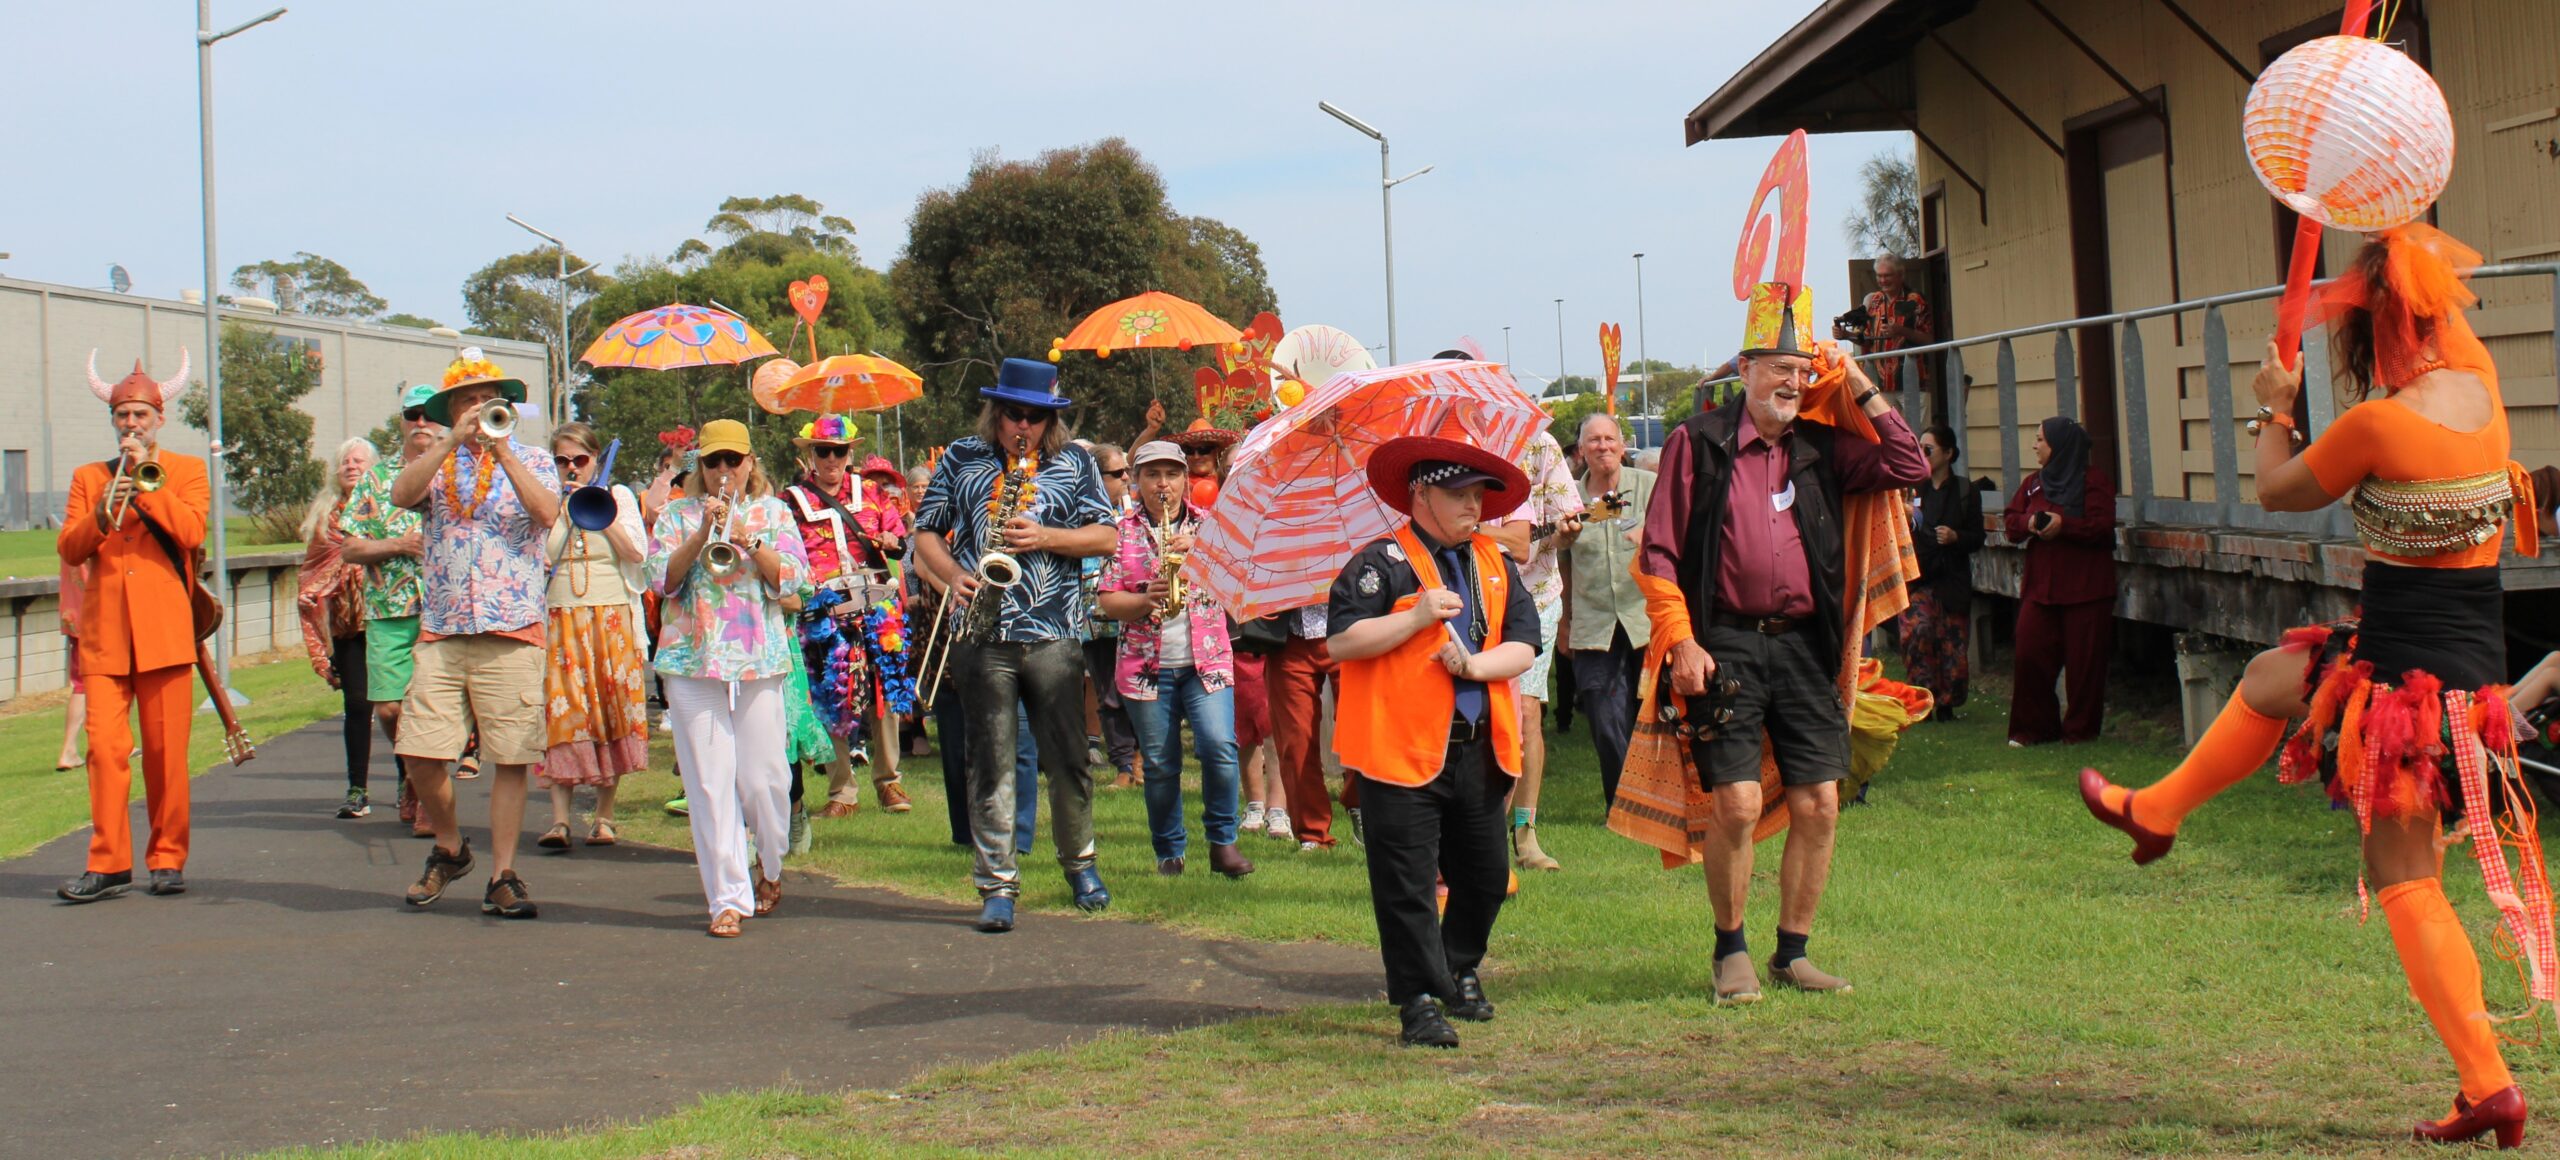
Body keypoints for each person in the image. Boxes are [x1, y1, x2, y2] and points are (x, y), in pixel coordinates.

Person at [2081, 225, 2547, 1148]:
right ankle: (2160, 810)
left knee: (2405, 880)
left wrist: (2275, 406)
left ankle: (2490, 1084)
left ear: (2378, 321)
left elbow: (2275, 491)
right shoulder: (2486, 397)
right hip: (2460, 676)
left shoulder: (2379, 424)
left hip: (2407, 693)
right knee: (2272, 675)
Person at [1636, 281, 1928, 1002]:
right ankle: (1730, 950)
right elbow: (1659, 554)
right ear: (1744, 370)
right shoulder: (1696, 444)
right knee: (1733, 804)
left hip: (1805, 646)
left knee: (1820, 803)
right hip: (1725, 645)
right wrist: (1680, 640)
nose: (1792, 383)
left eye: (1802, 372)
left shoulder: (1825, 449)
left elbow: (1908, 464)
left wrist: (1857, 382)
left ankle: (1791, 953)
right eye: (1778, 368)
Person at [1328, 435, 1541, 1048]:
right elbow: (1340, 643)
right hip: (1397, 750)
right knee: (1407, 881)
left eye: (1479, 494)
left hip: (1480, 745)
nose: (1473, 505)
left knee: (1486, 874)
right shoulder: (1379, 562)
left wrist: (1475, 667)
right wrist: (1415, 617)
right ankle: (1419, 999)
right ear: (1420, 494)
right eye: (1458, 494)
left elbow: (1526, 641)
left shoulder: (1492, 560)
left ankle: (1458, 966)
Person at [910, 358, 1120, 933]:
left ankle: (1081, 866)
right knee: (991, 761)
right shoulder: (961, 457)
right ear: (995, 413)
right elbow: (925, 529)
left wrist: (1047, 536)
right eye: (1011, 414)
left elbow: (1107, 534)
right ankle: (997, 885)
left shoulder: (1075, 461)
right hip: (981, 632)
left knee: (1068, 759)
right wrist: (951, 575)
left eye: (1033, 416)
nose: (1020, 426)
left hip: (1052, 631)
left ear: (1050, 418)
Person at [387, 349, 561, 918]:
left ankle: (503, 874)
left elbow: (547, 513)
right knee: (418, 750)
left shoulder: (532, 457)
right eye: (467, 401)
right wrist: (446, 443)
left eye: (489, 401)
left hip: (512, 626)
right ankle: (448, 846)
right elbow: (400, 496)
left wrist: (503, 451)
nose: (478, 409)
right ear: (451, 410)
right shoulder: (437, 465)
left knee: (510, 756)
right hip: (442, 627)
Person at [54, 350, 209, 903]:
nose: (131, 424)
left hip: (165, 634)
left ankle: (167, 858)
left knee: (166, 755)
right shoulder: (87, 476)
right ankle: (109, 863)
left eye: (141, 415)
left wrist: (149, 484)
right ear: (113, 420)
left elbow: (190, 533)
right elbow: (70, 548)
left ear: (159, 419)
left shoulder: (187, 471)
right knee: (105, 753)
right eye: (123, 415)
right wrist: (102, 508)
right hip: (105, 637)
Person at [647, 419, 808, 937]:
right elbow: (660, 581)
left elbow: (794, 577)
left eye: (731, 462)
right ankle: (727, 898)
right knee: (709, 784)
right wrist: (702, 534)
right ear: (700, 466)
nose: (722, 471)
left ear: (749, 463)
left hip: (758, 657)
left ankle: (772, 863)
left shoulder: (775, 511)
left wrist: (747, 538)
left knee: (764, 781)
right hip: (692, 661)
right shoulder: (675, 514)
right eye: (712, 462)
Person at [1099, 441, 1253, 878]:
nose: (1162, 484)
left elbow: (1238, 584)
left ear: (1186, 480)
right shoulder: (1121, 530)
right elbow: (1106, 601)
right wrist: (1142, 599)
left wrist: (1202, 553)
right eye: (1152, 475)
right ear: (1137, 481)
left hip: (1207, 660)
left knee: (1220, 747)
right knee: (1161, 763)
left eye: (1171, 474)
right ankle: (1169, 852)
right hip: (1145, 666)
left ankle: (1223, 843)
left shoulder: (1211, 526)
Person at [781, 414, 913, 819]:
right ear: (811, 456)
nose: (832, 459)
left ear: (849, 453)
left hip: (876, 603)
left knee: (884, 692)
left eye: (839, 451)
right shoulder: (790, 501)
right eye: (823, 451)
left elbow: (898, 540)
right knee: (831, 694)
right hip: (824, 608)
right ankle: (842, 790)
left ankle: (889, 781)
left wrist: (893, 539)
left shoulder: (872, 493)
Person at [534, 422, 650, 851]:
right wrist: (561, 507)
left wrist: (601, 511)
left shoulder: (617, 496)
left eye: (579, 460)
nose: (571, 468)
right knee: (563, 715)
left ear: (595, 460)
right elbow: (538, 557)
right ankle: (560, 820)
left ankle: (604, 816)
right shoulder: (547, 502)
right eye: (562, 460)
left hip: (611, 618)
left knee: (611, 710)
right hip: (562, 618)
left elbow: (638, 554)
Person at [343, 384, 440, 836]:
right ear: (401, 420)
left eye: (428, 413)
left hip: (444, 611)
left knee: (435, 710)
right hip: (389, 610)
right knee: (389, 710)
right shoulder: (376, 479)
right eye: (411, 414)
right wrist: (398, 544)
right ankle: (409, 773)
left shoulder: (457, 470)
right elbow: (350, 546)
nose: (421, 422)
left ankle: (427, 798)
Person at [1484, 427, 1580, 872]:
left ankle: (1524, 834)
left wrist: (1566, 533)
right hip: (1467, 598)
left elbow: (1560, 527)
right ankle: (1475, 831)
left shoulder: (1536, 442)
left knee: (1525, 713)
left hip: (1533, 595)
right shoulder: (1439, 444)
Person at [1557, 412, 1655, 808]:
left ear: (1621, 444)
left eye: (1609, 439)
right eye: (1593, 441)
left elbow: (1680, 532)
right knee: (1603, 714)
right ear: (1581, 451)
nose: (1602, 446)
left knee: (1651, 715)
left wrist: (1652, 533)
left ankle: (1657, 798)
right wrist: (1565, 623)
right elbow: (1560, 563)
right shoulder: (1570, 500)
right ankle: (1624, 804)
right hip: (1594, 623)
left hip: (1645, 620)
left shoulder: (1647, 486)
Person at [2004, 416, 2115, 746]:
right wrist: (2031, 524)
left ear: (2061, 446)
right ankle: (2033, 729)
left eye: (2041, 439)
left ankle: (2079, 732)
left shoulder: (2093, 482)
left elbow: (2101, 526)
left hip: (2086, 589)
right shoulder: (2034, 484)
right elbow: (2011, 522)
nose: (2035, 445)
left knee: (2085, 668)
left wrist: (2063, 524)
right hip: (2042, 589)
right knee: (2029, 654)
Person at [297, 437, 378, 817]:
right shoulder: (325, 516)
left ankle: (407, 782)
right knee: (357, 704)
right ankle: (357, 789)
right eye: (345, 460)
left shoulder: (388, 506)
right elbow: (313, 572)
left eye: (358, 460)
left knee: (398, 707)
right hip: (347, 625)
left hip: (388, 616)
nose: (351, 465)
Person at [1905, 425, 1985, 722]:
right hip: (1920, 576)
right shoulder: (1914, 488)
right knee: (1918, 633)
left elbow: (1977, 537)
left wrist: (1956, 538)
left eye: (1929, 449)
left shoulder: (1966, 491)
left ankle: (1947, 704)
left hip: (1953, 579)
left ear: (1948, 453)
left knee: (1952, 642)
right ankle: (1921, 700)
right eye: (1919, 448)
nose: (1923, 454)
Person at [1079, 442, 1142, 789]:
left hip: (1132, 615)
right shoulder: (1079, 515)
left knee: (1139, 689)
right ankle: (1124, 766)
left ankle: (1142, 760)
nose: (1126, 478)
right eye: (1118, 473)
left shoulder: (1136, 515)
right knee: (1107, 691)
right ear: (1096, 477)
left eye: (1127, 471)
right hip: (1093, 618)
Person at [1836, 254, 1933, 398]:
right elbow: (1868, 340)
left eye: (1887, 276)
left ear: (1901, 275)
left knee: (1913, 421)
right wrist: (1847, 335)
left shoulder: (1915, 300)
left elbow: (1929, 340)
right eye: (1879, 276)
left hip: (1913, 382)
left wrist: (1901, 330)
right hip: (1882, 385)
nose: (1883, 280)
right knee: (1887, 421)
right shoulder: (1874, 301)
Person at [54, 559, 90, 772]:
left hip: (74, 615)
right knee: (115, 676)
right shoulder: (95, 530)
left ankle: (70, 749)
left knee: (81, 683)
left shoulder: (72, 532)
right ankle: (69, 749)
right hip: (96, 617)